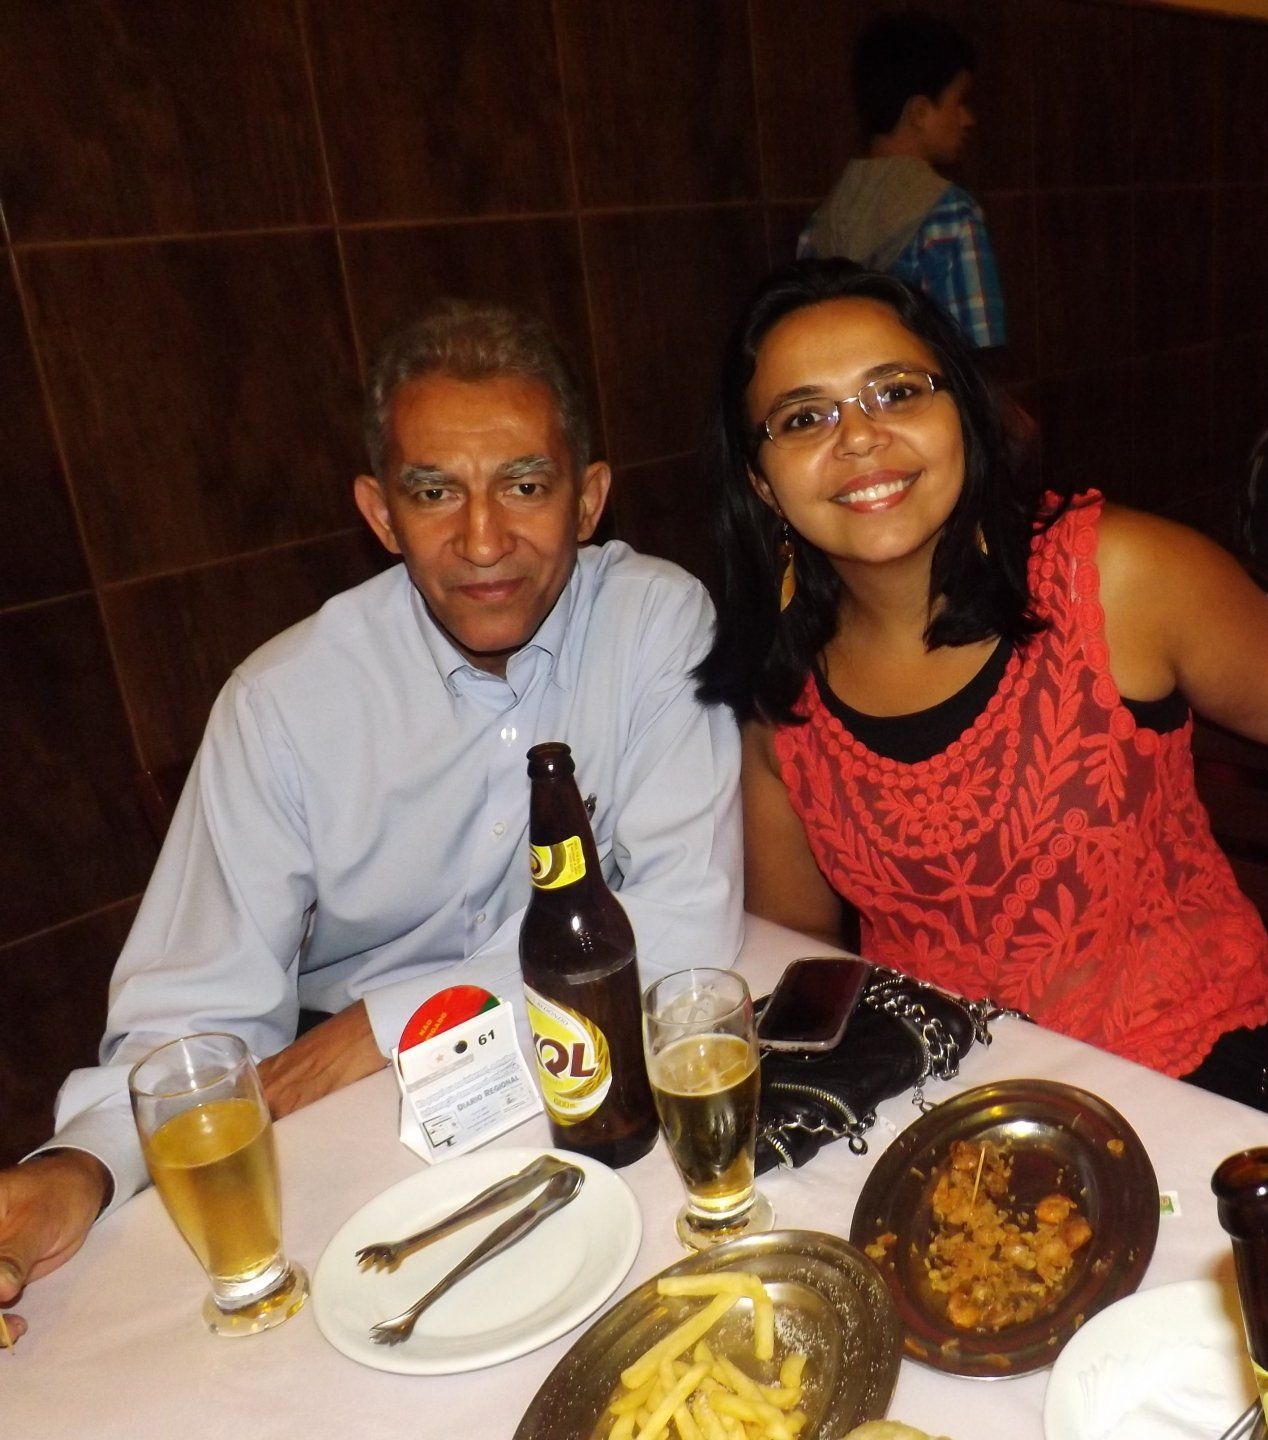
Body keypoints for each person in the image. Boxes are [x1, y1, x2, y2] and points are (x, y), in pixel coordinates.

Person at [0, 300, 744, 1343]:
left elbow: (687, 923)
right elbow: (195, 1009)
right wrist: (79, 1169)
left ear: (588, 500)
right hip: (363, 1132)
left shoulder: (655, 623)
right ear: (380, 514)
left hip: (577, 1088)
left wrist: (396, 1022)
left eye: (525, 485)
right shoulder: (284, 704)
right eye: (434, 492)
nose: (483, 539)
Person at [694, 258, 1268, 1082]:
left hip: (1189, 1081)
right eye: (804, 417)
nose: (857, 437)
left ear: (962, 413)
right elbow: (798, 950)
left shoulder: (1113, 578)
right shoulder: (783, 691)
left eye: (896, 392)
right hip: (945, 1097)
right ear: (762, 483)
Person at [798, 11, 1005, 351]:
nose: (968, 118)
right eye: (959, 102)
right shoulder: (952, 214)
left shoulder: (821, 222)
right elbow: (976, 349)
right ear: (919, 112)